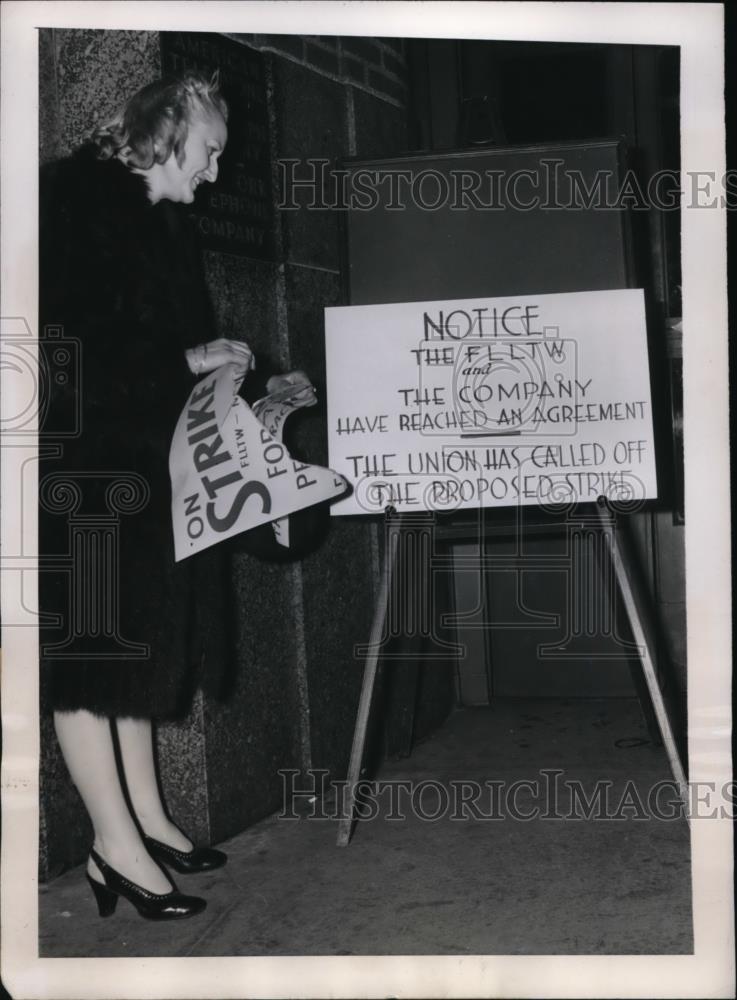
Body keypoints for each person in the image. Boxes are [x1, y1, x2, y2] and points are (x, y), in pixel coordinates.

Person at [39, 72, 252, 920]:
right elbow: (64, 343)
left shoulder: (163, 221)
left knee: (130, 646)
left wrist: (211, 355)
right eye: (208, 154)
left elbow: (157, 341)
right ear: (167, 132)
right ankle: (113, 845)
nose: (214, 174)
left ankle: (148, 821)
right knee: (92, 653)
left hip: (136, 459)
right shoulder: (71, 203)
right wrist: (184, 362)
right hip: (83, 464)